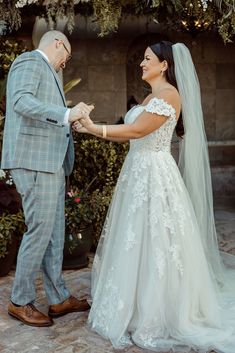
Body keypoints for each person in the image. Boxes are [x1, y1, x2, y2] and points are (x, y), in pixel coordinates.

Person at [75, 41, 235, 353]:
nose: (141, 64)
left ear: (164, 65)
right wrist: (90, 129)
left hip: (155, 174)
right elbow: (131, 133)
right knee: (137, 239)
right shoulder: (151, 96)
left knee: (158, 240)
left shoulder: (170, 95)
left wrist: (96, 128)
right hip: (136, 173)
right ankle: (131, 306)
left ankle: (157, 313)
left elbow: (137, 132)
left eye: (147, 59)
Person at [1, 30, 94, 327]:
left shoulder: (47, 70)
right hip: (33, 160)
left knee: (55, 232)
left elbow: (47, 115)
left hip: (50, 163)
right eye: (66, 55)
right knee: (40, 230)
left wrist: (69, 123)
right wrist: (66, 114)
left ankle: (57, 299)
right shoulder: (30, 61)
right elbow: (21, 102)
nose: (65, 63)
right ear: (57, 44)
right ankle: (20, 301)